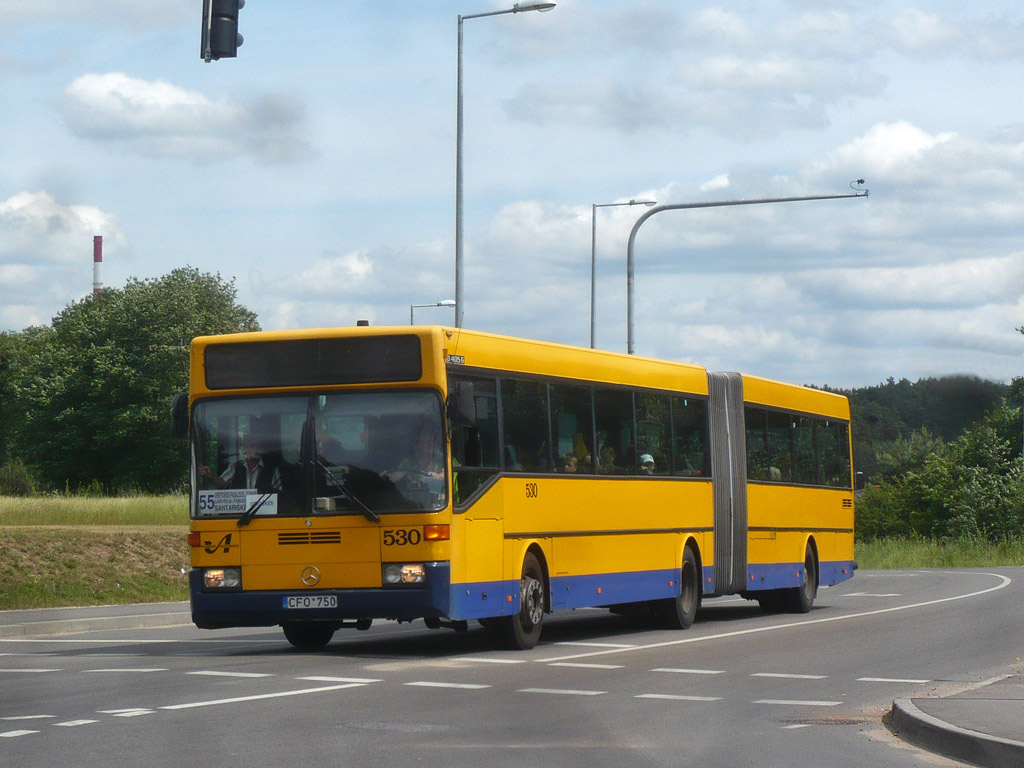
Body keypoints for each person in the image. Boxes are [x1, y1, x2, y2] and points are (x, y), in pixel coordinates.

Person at [198, 433, 281, 493]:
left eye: (257, 446)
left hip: (265, 515)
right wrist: (211, 475)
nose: (254, 449)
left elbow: (279, 496)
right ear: (244, 449)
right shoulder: (236, 467)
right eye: (251, 446)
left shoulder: (272, 470)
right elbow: (221, 483)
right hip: (240, 515)